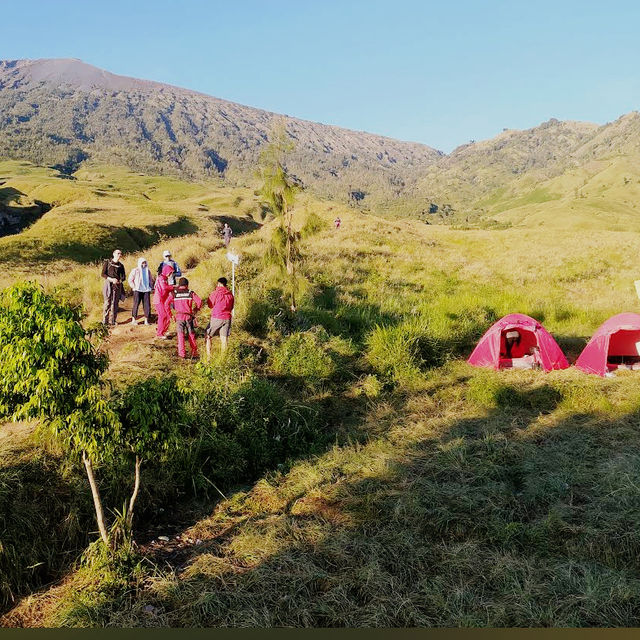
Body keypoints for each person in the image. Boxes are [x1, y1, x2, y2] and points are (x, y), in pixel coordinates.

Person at [166, 277, 202, 359]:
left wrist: (170, 315)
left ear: (179, 285)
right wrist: (195, 310)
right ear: (187, 285)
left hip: (179, 317)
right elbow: (199, 302)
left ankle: (182, 354)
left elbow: (166, 304)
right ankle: (194, 352)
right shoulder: (190, 293)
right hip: (188, 317)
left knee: (180, 335)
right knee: (191, 335)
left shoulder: (174, 293)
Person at [205, 277, 235, 356]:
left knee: (208, 335)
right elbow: (232, 307)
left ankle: (208, 356)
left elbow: (210, 304)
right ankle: (223, 357)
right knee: (224, 339)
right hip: (227, 317)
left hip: (217, 317)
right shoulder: (230, 294)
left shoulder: (215, 293)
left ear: (218, 283)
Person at [101, 249, 126, 326]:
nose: (119, 255)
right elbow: (103, 274)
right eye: (118, 253)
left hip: (117, 286)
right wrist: (111, 279)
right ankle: (105, 321)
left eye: (120, 254)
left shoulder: (121, 266)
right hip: (108, 285)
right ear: (114, 254)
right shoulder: (107, 263)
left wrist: (119, 281)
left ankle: (113, 320)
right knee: (107, 302)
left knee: (115, 303)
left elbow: (123, 277)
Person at [128, 257, 154, 325]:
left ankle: (146, 320)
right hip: (137, 290)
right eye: (142, 263)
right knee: (136, 304)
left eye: (145, 263)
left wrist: (151, 287)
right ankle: (134, 319)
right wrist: (133, 286)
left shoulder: (147, 271)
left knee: (147, 305)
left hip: (146, 290)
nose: (144, 264)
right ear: (139, 263)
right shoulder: (135, 270)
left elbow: (150, 280)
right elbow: (130, 279)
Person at [153, 264, 174, 339]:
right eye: (170, 272)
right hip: (158, 300)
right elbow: (164, 287)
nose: (170, 274)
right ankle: (159, 333)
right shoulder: (161, 278)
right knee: (163, 315)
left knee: (167, 315)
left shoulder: (164, 278)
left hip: (163, 299)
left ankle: (164, 330)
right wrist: (173, 287)